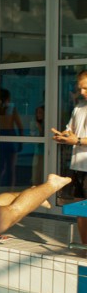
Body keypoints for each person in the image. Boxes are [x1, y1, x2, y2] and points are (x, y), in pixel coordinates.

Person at [52, 70, 87, 243]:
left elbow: (77, 137)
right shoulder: (78, 108)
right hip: (78, 168)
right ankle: (85, 248)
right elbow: (70, 130)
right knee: (80, 211)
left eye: (86, 88)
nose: (82, 92)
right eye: (80, 88)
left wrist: (77, 140)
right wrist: (64, 135)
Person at [0, 89, 24, 189]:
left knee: (0, 166)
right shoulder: (10, 108)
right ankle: (10, 189)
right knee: (10, 167)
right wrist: (21, 142)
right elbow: (20, 126)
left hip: (2, 137)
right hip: (9, 137)